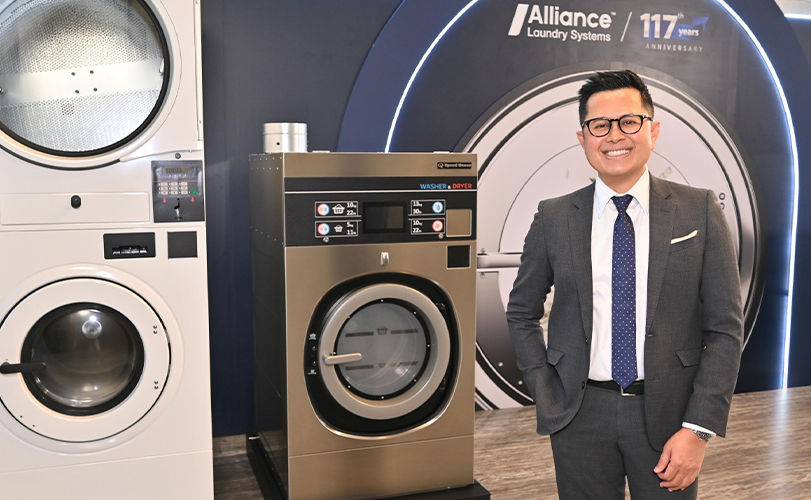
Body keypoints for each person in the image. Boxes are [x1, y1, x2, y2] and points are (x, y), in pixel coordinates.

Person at [506, 69, 744, 499]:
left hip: (670, 413)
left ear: (653, 130)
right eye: (600, 125)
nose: (614, 136)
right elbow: (522, 312)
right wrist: (545, 388)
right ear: (583, 138)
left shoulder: (699, 210)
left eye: (629, 122)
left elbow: (725, 330)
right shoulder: (553, 217)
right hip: (579, 413)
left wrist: (698, 428)